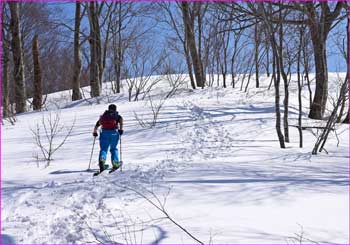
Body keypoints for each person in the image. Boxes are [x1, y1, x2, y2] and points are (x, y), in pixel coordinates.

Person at [93, 104, 124, 173]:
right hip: (114, 133)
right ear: (115, 109)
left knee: (103, 149)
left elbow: (97, 124)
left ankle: (102, 161)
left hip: (104, 133)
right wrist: (121, 130)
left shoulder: (104, 116)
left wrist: (95, 132)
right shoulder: (117, 116)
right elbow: (121, 122)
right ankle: (115, 163)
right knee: (113, 148)